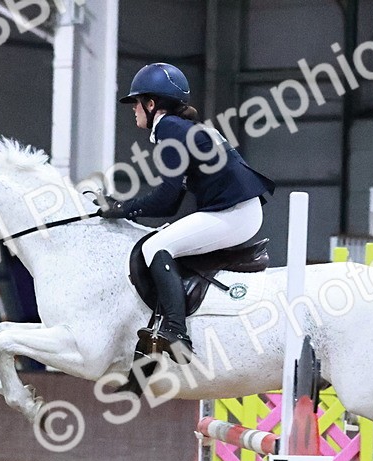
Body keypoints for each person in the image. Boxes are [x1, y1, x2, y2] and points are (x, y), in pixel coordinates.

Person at [98, 62, 275, 361]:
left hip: (234, 213)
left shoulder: (169, 129)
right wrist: (126, 208)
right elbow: (171, 200)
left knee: (156, 246)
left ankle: (178, 334)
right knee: (164, 239)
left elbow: (166, 198)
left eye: (137, 103)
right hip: (238, 210)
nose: (134, 110)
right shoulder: (181, 129)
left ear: (151, 104)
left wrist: (122, 209)